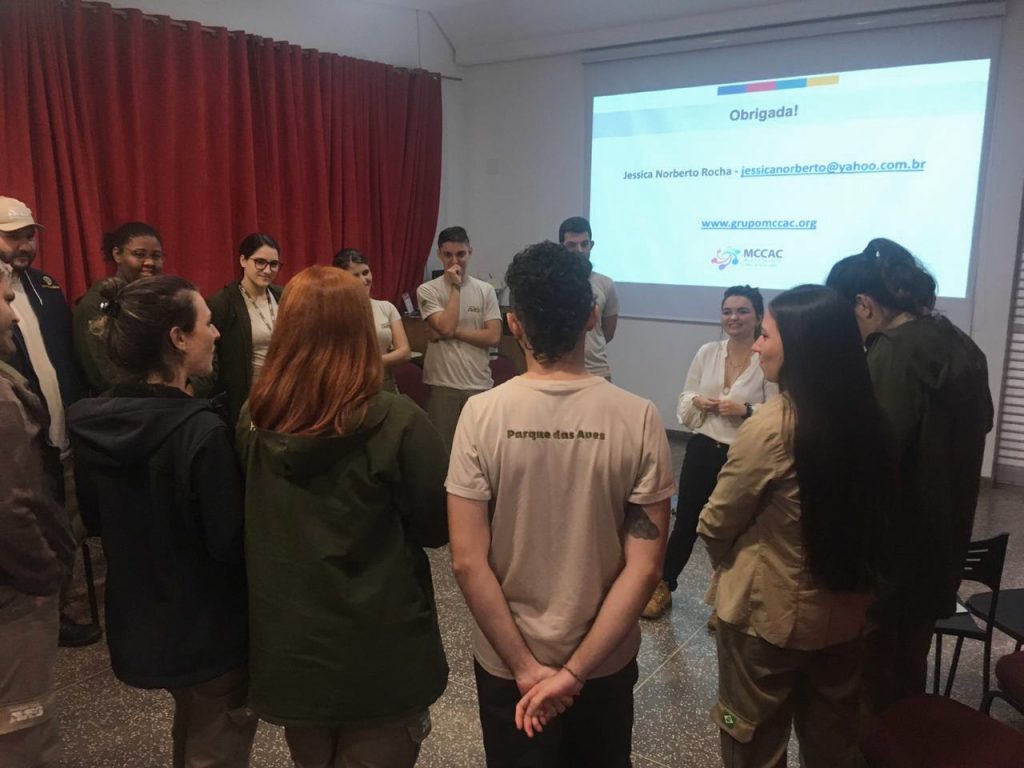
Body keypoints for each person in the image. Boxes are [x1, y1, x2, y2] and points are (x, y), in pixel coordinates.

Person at [447, 242, 675, 768]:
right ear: (592, 316)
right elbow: (645, 568)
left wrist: (527, 668)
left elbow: (465, 560)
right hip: (604, 659)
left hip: (510, 663)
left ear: (513, 324)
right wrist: (575, 674)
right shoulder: (639, 417)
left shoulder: (479, 415)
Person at [238, 266, 449, 767]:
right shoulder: (398, 420)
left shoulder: (254, 416)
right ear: (361, 329)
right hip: (381, 641)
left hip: (292, 644)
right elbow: (436, 528)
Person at [697, 284, 896, 767]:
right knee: (834, 742)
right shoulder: (871, 420)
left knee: (751, 742)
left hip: (767, 621)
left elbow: (715, 521)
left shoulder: (770, 427)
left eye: (765, 335)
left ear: (802, 347)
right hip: (846, 615)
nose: (757, 345)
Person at [68, 275, 256, 768]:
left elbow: (93, 519)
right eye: (208, 325)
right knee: (216, 741)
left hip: (142, 619)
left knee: (190, 732)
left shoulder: (91, 424)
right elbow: (229, 541)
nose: (216, 334)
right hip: (209, 629)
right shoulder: (201, 433)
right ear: (177, 338)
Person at [826, 238, 993, 711]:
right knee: (907, 675)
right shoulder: (963, 345)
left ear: (864, 305)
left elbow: (873, 456)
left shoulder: (893, 352)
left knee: (868, 687)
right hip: (941, 545)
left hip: (890, 552)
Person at [0, 196, 100, 647]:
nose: (24, 244)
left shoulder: (47, 286)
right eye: (13, 236)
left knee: (70, 524)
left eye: (29, 235)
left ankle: (73, 608)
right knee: (32, 523)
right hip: (20, 440)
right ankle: (37, 614)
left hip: (64, 430)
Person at [643, 285, 777, 620]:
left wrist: (745, 409)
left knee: (735, 527)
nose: (734, 318)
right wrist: (698, 402)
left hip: (744, 452)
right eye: (727, 311)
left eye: (743, 311)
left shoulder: (767, 358)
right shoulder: (708, 352)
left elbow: (779, 411)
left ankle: (727, 602)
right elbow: (686, 400)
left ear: (758, 316)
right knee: (687, 520)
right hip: (703, 447)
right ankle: (663, 585)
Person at [0, 260, 76, 768]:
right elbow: (12, 506)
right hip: (14, 593)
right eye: (5, 302)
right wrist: (48, 574)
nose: (15, 316)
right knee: (23, 726)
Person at [416, 226, 502, 449]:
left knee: (480, 452)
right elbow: (445, 326)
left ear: (470, 252)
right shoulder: (427, 290)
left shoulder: (485, 290)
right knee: (443, 453)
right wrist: (455, 287)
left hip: (479, 384)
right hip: (443, 386)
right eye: (448, 255)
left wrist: (451, 334)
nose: (455, 260)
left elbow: (493, 336)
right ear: (439, 254)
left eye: (461, 254)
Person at [73, 221, 164, 394]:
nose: (149, 262)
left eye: (156, 255)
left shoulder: (159, 300)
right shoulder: (95, 304)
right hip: (121, 408)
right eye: (139, 254)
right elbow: (103, 374)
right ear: (117, 254)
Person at [204, 233, 284, 426]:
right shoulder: (222, 303)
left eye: (274, 264)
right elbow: (212, 360)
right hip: (246, 401)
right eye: (260, 262)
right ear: (243, 260)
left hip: (284, 395)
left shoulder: (284, 296)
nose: (267, 270)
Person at [333, 247, 411, 392]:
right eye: (355, 275)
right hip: (348, 388)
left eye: (365, 272)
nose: (363, 280)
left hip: (385, 384)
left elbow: (405, 351)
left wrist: (373, 363)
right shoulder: (334, 312)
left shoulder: (386, 307)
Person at [558, 216, 619, 380]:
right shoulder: (551, 282)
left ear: (591, 245)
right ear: (562, 247)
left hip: (597, 370)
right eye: (572, 245)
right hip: (559, 370)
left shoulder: (606, 284)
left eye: (584, 244)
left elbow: (608, 332)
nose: (579, 250)